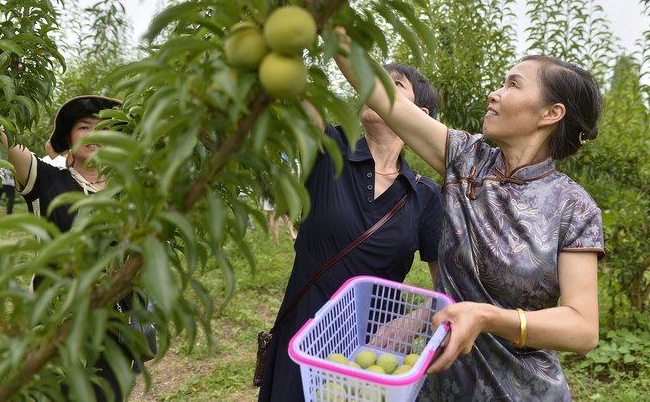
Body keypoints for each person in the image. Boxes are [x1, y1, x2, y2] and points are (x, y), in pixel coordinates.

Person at [335, 51, 604, 401]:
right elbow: (380, 92)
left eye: (512, 85)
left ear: (550, 114)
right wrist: (332, 21)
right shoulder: (466, 160)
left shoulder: (574, 206)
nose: (495, 93)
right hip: (443, 388)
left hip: (523, 392)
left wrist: (489, 318)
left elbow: (582, 328)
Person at [257, 63, 444, 402]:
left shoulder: (425, 195)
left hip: (373, 352)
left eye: (395, 84)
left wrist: (417, 320)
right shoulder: (330, 148)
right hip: (304, 338)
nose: (375, 89)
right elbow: (292, 81)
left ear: (419, 114)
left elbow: (447, 284)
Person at [0, 94, 133, 401]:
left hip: (113, 323)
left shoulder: (131, 189)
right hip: (56, 322)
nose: (95, 134)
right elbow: (2, 139)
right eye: (84, 127)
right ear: (69, 138)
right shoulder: (47, 180)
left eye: (105, 128)